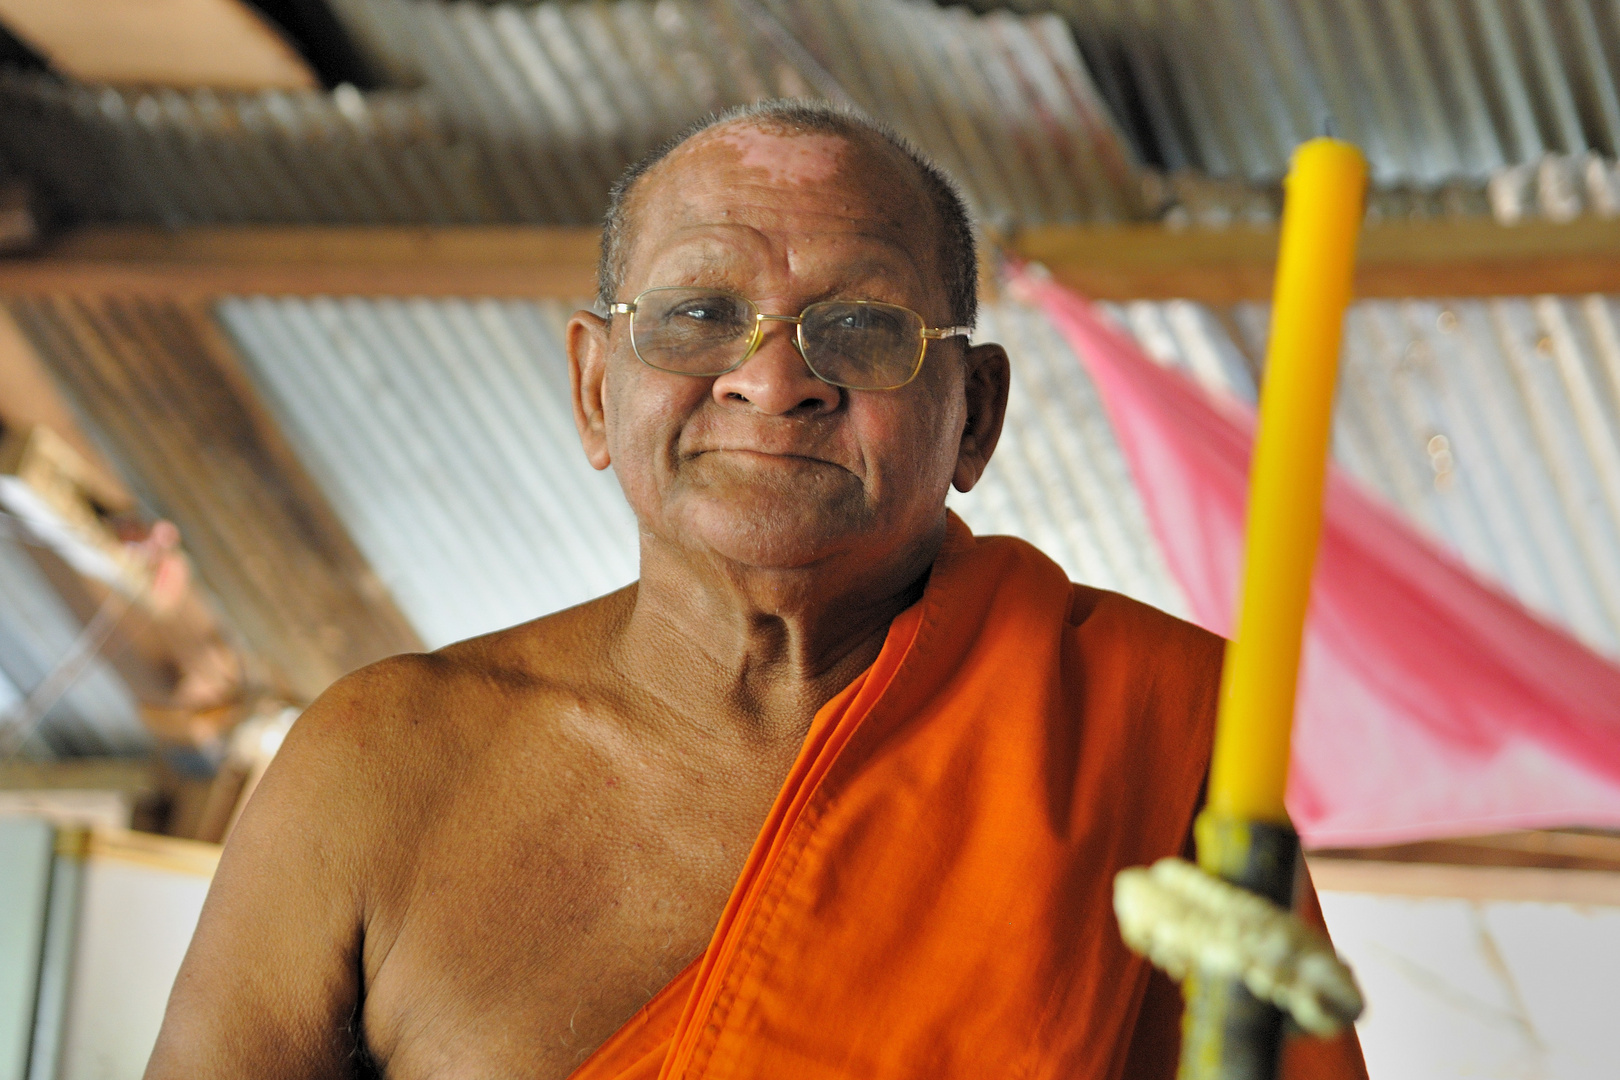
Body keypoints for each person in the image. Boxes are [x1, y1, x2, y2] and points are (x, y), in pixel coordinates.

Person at [145, 100, 1364, 1080]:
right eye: (698, 315)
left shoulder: (1150, 732)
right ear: (592, 389)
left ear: (976, 415)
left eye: (862, 326)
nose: (775, 381)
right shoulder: (377, 767)